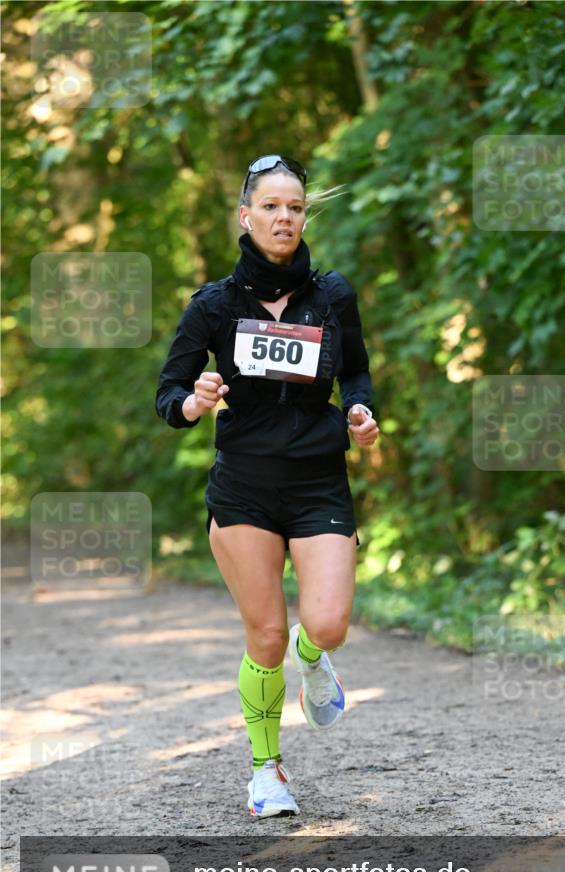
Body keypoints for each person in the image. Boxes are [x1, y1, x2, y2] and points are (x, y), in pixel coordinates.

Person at [156, 154, 379, 818]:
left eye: (296, 207)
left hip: (318, 482)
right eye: (271, 206)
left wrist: (360, 410)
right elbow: (169, 394)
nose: (285, 218)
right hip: (245, 488)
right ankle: (266, 770)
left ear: (305, 217)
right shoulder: (214, 305)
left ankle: (316, 660)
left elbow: (357, 373)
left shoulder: (331, 295)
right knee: (265, 636)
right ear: (245, 215)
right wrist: (194, 401)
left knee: (327, 626)